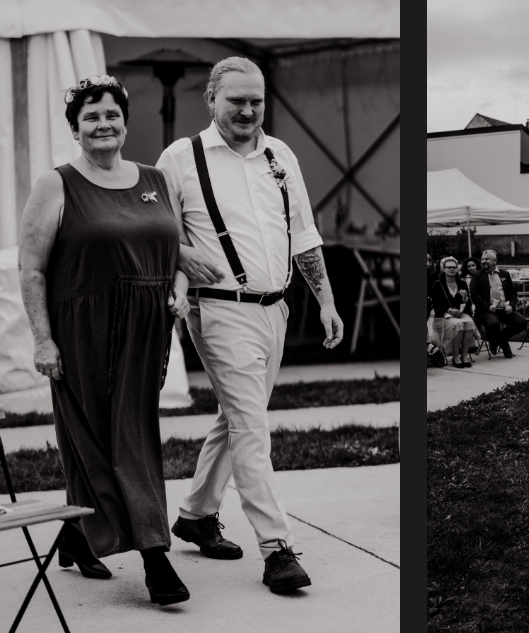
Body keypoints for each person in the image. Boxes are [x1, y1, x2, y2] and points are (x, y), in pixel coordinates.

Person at [156, 57, 343, 593]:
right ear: (211, 99)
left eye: (256, 100)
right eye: (236, 99)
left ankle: (195, 513)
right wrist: (183, 256)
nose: (247, 110)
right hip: (217, 309)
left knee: (239, 417)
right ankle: (276, 547)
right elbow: (153, 230)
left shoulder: (280, 153)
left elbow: (304, 234)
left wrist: (325, 301)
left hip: (275, 308)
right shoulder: (180, 158)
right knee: (251, 426)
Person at [18, 75, 190, 605]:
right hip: (82, 332)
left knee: (130, 439)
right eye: (90, 116)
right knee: (97, 443)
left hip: (144, 333)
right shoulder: (58, 183)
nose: (103, 124)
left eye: (111, 114)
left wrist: (179, 292)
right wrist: (43, 341)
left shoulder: (156, 179)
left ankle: (76, 533)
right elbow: (31, 269)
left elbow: (176, 250)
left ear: (125, 122)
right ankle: (155, 558)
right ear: (75, 128)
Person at [470, 250, 526, 358]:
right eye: (482, 259)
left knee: (521, 322)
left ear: (495, 261)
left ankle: (495, 340)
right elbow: (474, 295)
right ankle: (506, 348)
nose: (483, 261)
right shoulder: (477, 275)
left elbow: (513, 294)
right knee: (493, 324)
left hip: (504, 309)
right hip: (486, 311)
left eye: (487, 259)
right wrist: (488, 306)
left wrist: (511, 305)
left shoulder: (505, 274)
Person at [431, 256, 476, 368]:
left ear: (457, 269)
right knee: (458, 324)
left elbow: (468, 304)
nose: (452, 269)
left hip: (459, 315)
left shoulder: (462, 283)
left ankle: (464, 356)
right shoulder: (438, 284)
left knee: (470, 323)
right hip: (443, 317)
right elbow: (436, 305)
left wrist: (465, 299)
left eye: (454, 267)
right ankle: (456, 356)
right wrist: (450, 309)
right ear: (443, 269)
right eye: (449, 267)